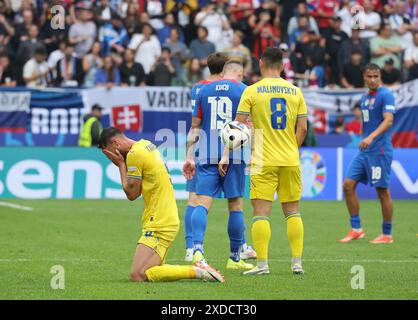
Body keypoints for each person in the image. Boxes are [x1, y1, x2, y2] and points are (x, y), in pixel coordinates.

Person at [219, 47, 308, 275]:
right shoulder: (295, 91)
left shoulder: (252, 91)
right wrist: (291, 148)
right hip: (290, 159)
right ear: (283, 65)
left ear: (260, 63)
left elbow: (236, 128)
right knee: (293, 212)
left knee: (260, 213)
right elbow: (303, 128)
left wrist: (229, 152)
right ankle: (296, 263)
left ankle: (262, 265)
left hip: (262, 160)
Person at [98, 127, 225, 283]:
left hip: (158, 222)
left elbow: (132, 194)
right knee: (148, 271)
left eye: (108, 152)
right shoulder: (146, 145)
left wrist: (120, 165)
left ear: (115, 143)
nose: (110, 157)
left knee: (137, 275)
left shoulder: (134, 155)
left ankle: (198, 271)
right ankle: (199, 271)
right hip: (167, 218)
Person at [183, 60, 254, 271]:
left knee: (201, 202)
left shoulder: (204, 90)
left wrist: (189, 156)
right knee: (235, 205)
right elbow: (248, 125)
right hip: (234, 155)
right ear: (240, 73)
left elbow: (195, 126)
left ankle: (197, 250)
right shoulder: (244, 90)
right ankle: (234, 258)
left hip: (205, 153)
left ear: (223, 73)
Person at [340, 63, 396, 244]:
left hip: (379, 150)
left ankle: (387, 234)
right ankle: (356, 229)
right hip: (364, 151)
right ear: (364, 77)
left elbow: (388, 121)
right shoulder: (364, 98)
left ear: (380, 77)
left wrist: (371, 137)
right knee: (348, 185)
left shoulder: (386, 95)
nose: (372, 79)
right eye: (369, 76)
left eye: (376, 76)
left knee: (382, 191)